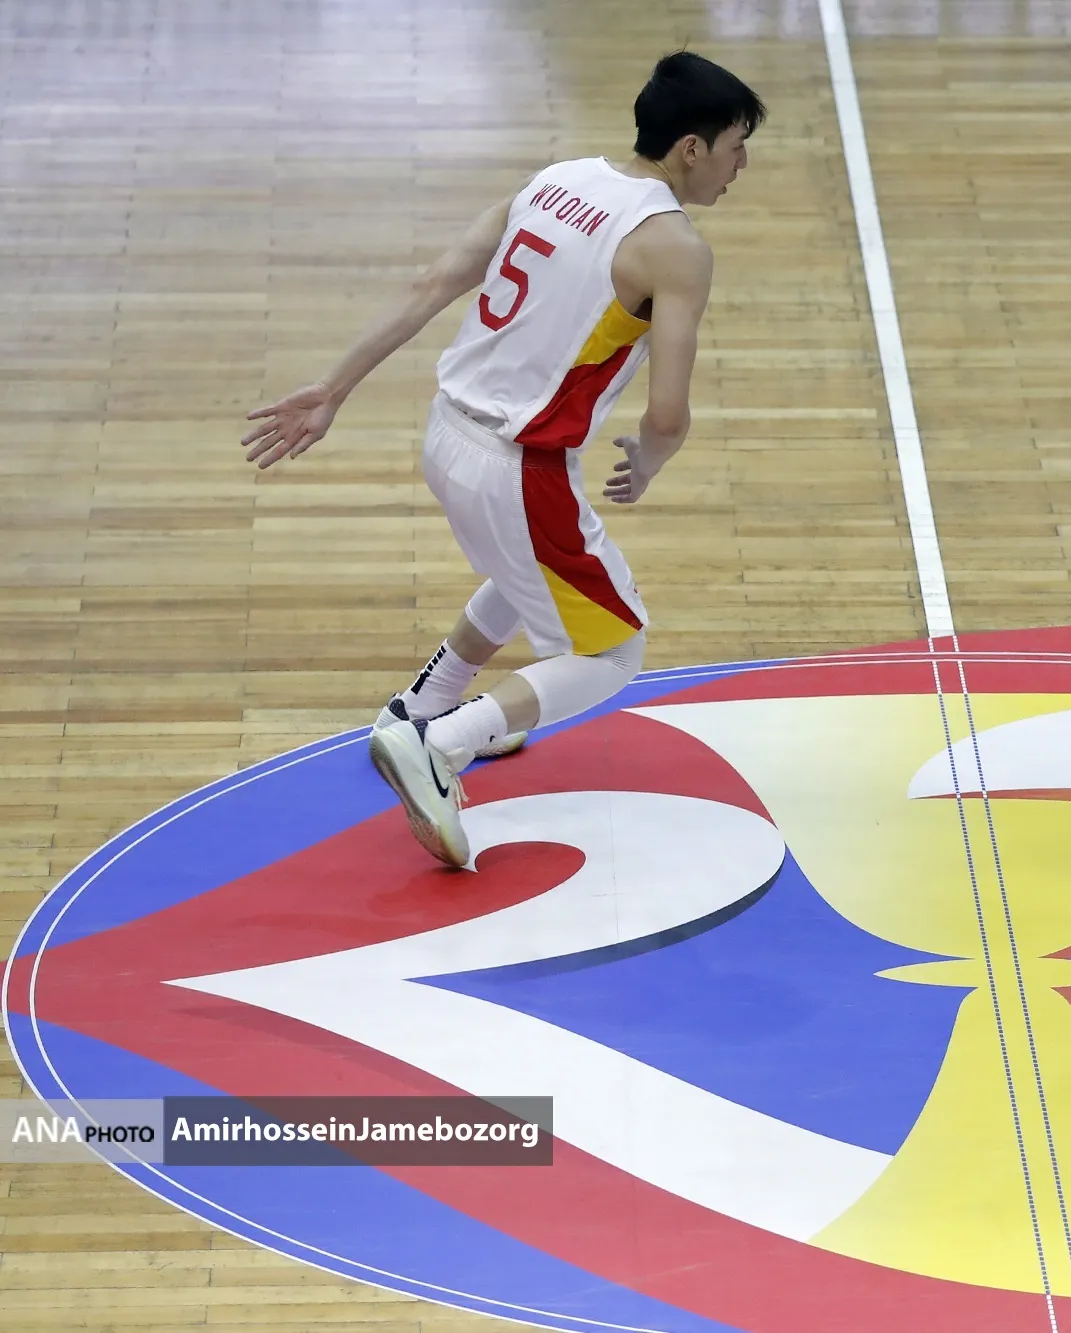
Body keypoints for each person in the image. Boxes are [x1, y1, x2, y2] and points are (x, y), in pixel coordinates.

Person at [242, 51, 764, 869]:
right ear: (692, 148)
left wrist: (333, 389)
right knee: (613, 651)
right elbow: (667, 413)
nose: (742, 166)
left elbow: (432, 282)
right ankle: (442, 746)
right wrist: (652, 459)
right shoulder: (675, 247)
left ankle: (423, 704)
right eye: (737, 146)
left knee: (529, 573)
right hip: (520, 467)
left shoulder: (555, 180)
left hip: (446, 431)